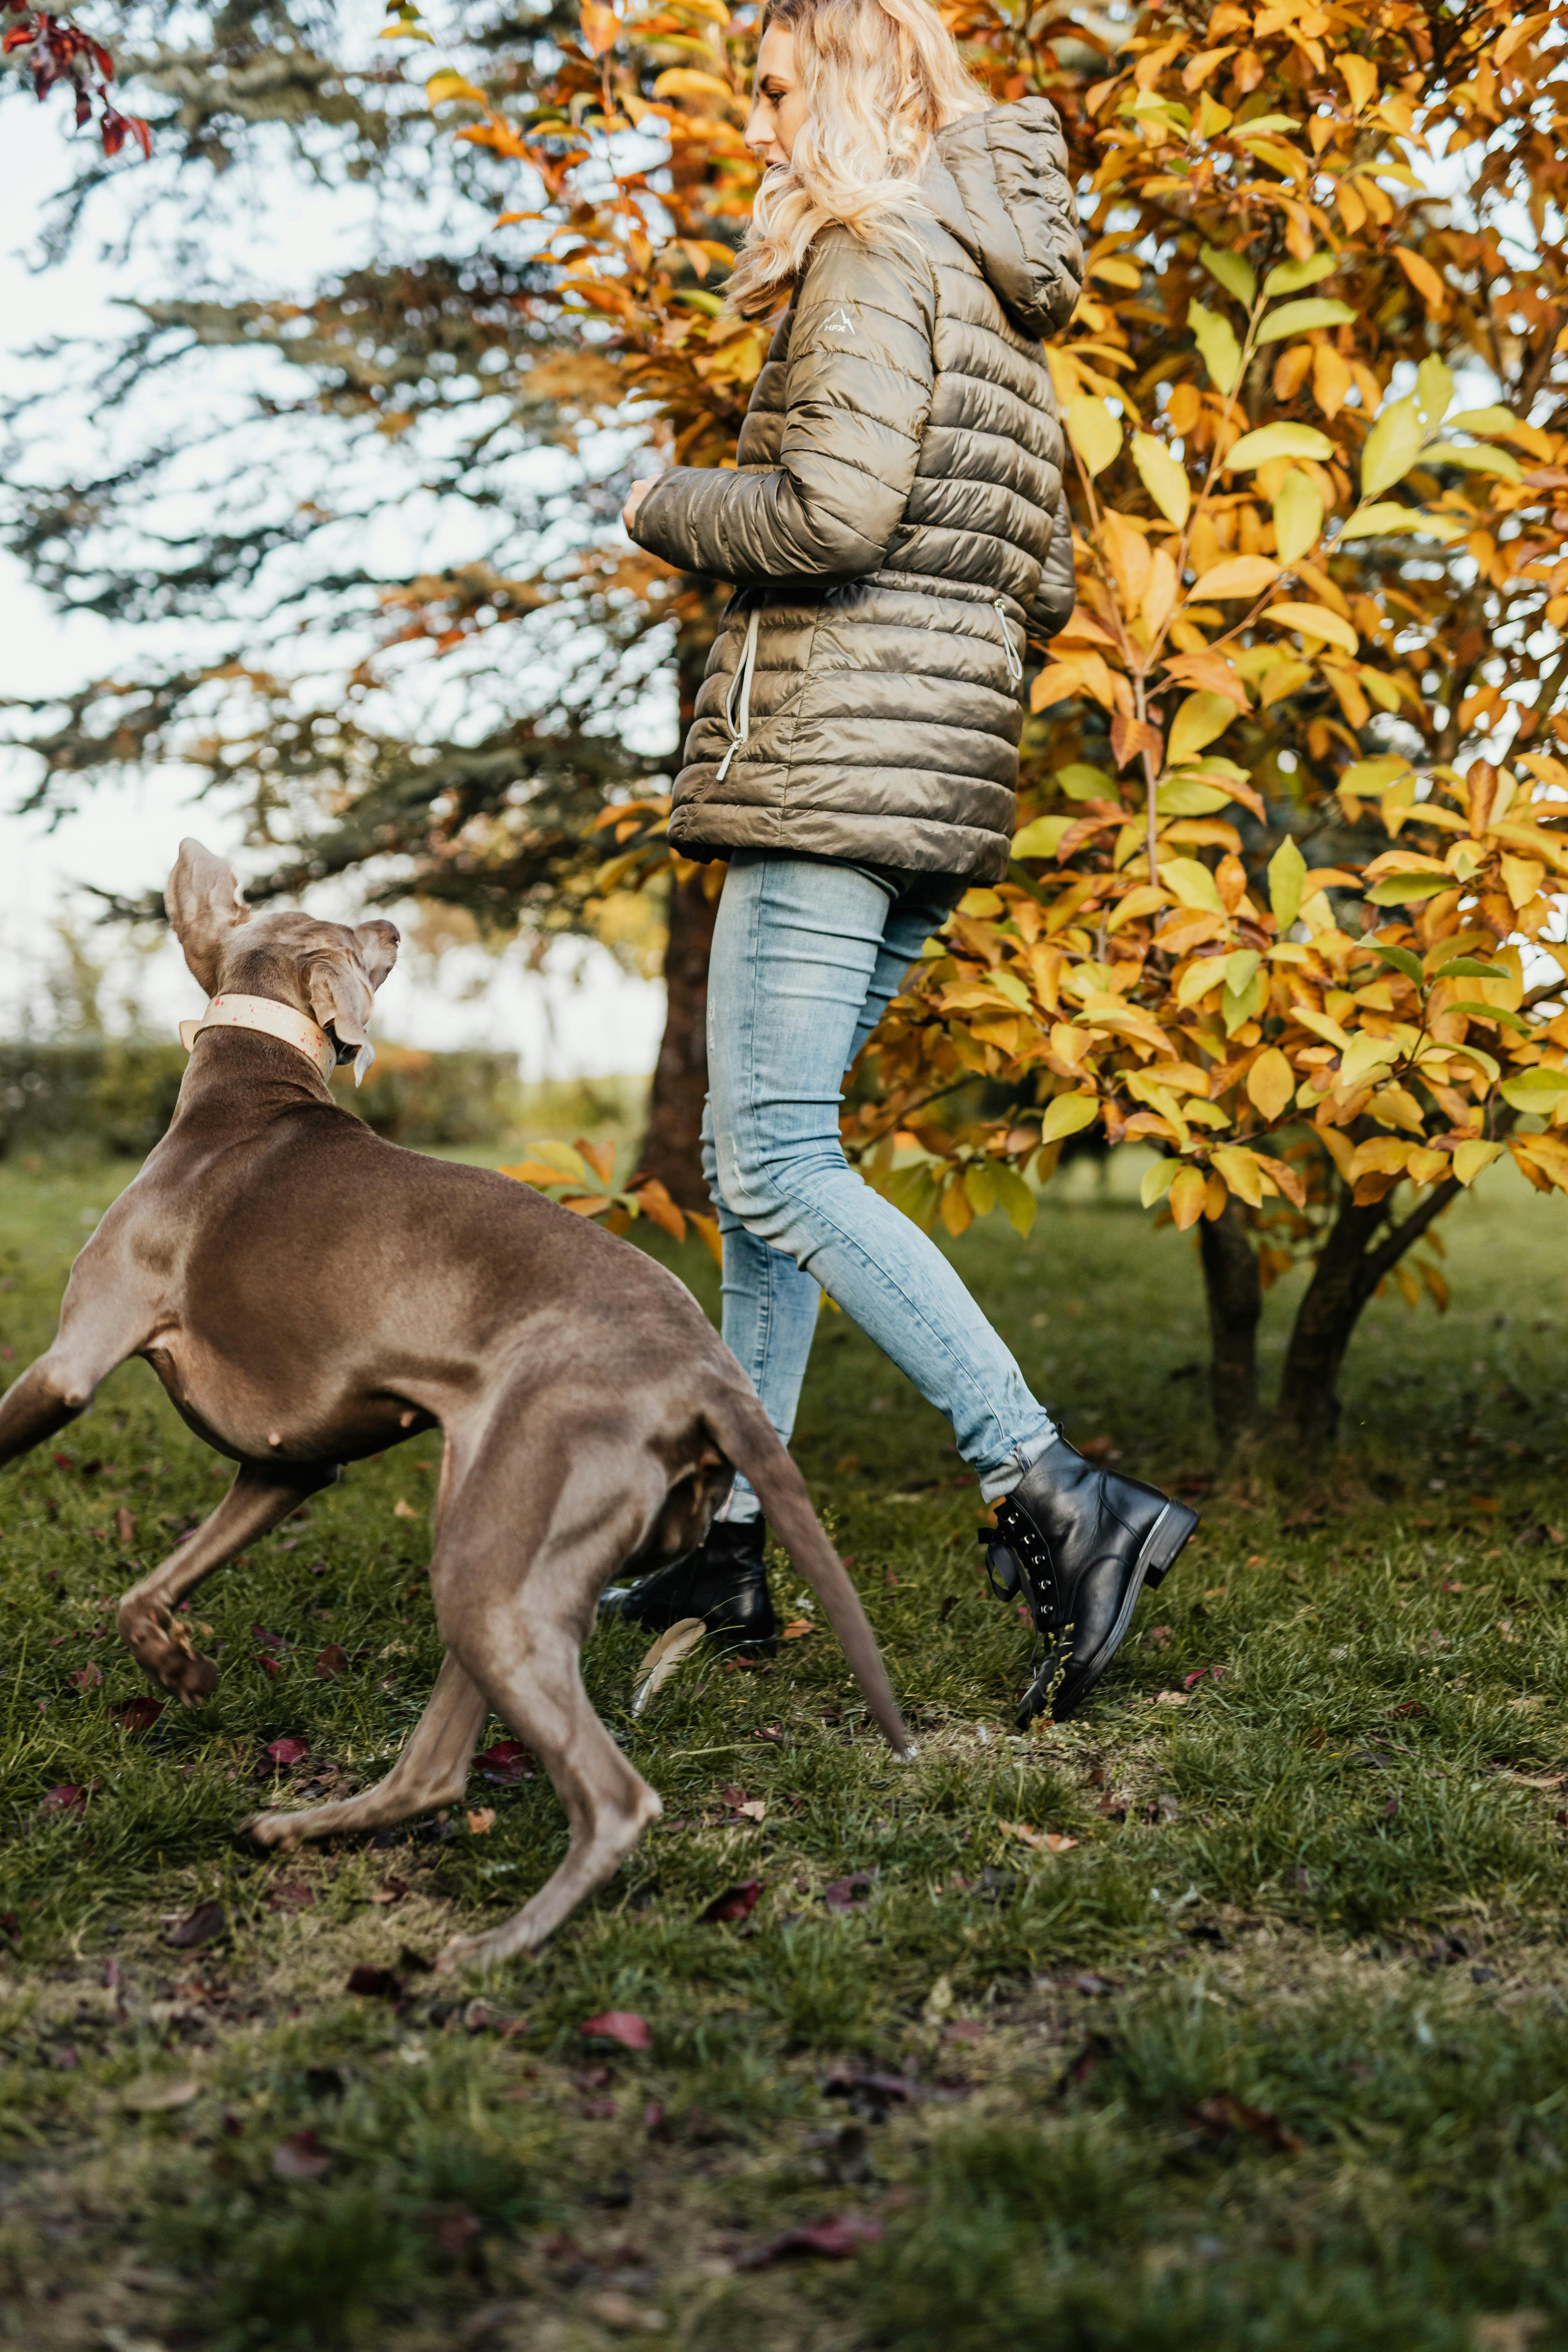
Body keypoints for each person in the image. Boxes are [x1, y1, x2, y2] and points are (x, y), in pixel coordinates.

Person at [603, 0, 1196, 1724]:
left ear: (853, 82)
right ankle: (727, 1529)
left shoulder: (873, 253)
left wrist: (662, 501)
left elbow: (832, 517)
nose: (765, 115)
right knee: (759, 1154)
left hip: (832, 773)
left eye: (780, 84)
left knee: (777, 1160)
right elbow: (1043, 579)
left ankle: (1056, 1495)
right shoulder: (995, 279)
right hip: (933, 776)